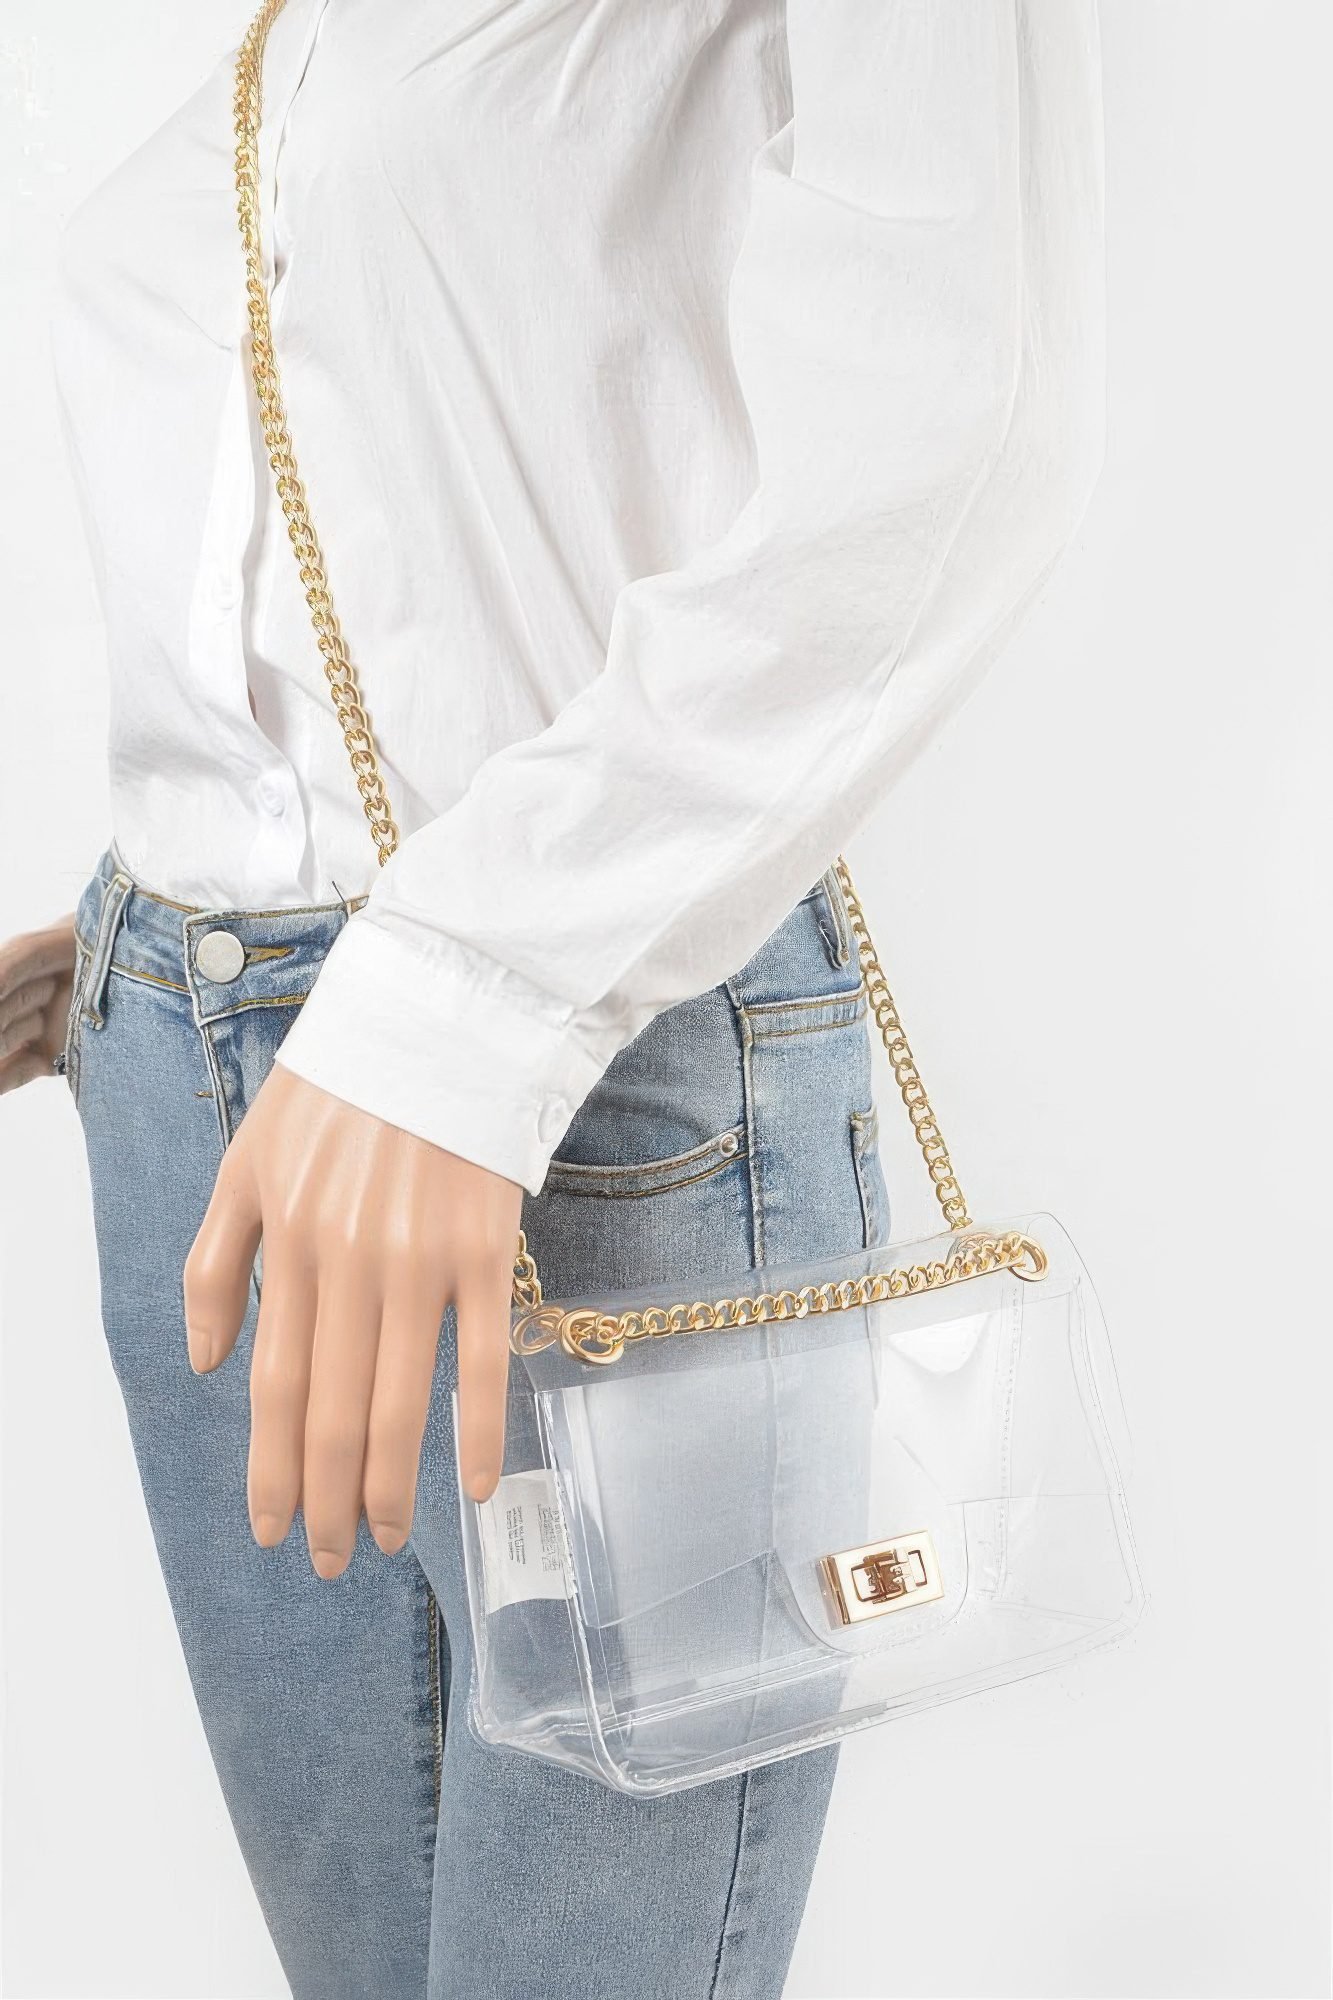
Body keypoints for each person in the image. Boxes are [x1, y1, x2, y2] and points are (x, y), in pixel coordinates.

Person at [0, 2, 1107, 1994]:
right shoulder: (283, 43)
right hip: (189, 1080)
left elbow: (960, 421)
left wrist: (459, 983)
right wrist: (165, 905)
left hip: (571, 1081)